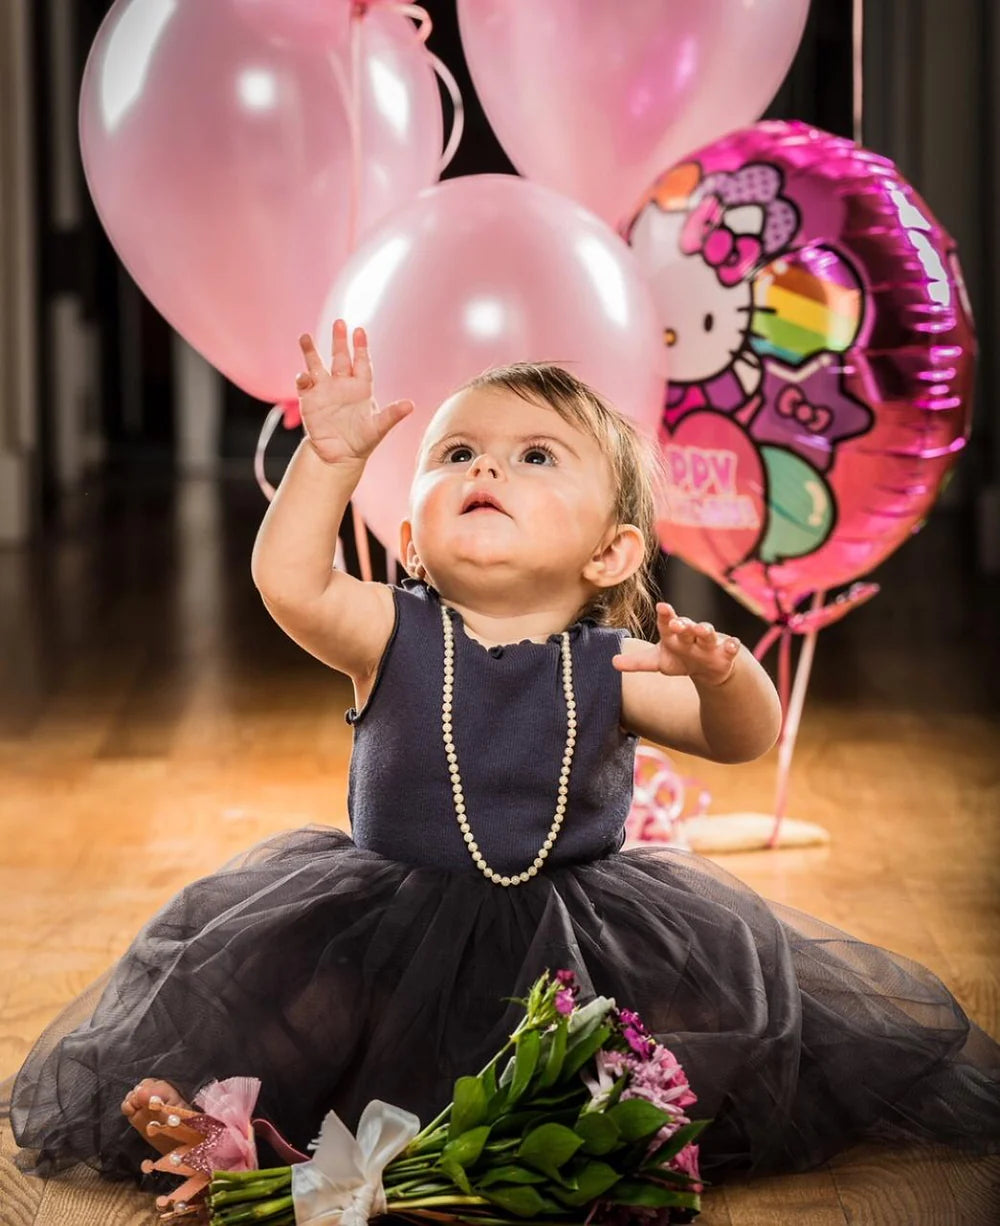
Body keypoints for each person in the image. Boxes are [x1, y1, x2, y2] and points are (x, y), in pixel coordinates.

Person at [3, 322, 998, 1196]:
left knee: (683, 1029)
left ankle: (589, 1133)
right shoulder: (387, 630)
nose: (487, 470)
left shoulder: (615, 664)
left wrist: (725, 673)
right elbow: (289, 581)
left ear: (610, 553)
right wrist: (329, 457)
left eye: (535, 456)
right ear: (410, 541)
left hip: (579, 945)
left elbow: (741, 738)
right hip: (388, 936)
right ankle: (232, 1126)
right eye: (457, 453)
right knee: (303, 1020)